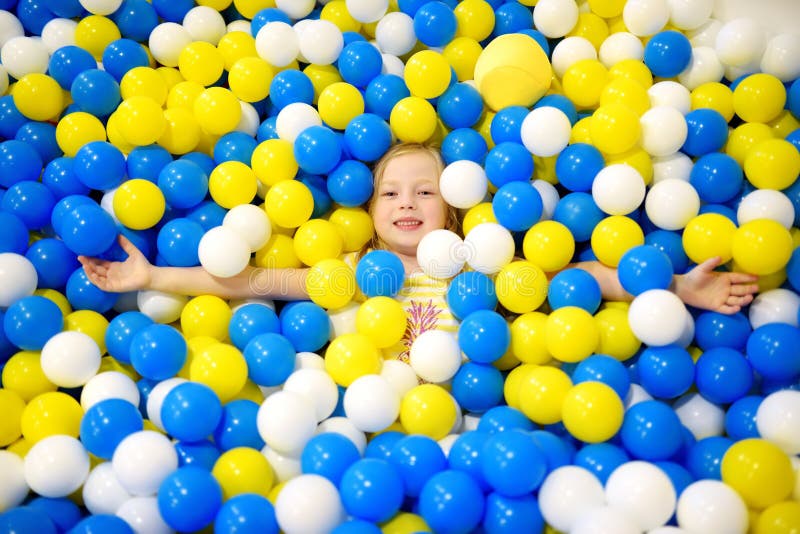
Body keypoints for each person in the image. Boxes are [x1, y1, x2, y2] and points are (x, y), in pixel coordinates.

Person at [79, 142, 760, 363]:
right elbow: (258, 279)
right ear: (370, 214)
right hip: (354, 399)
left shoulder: (474, 262)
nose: (406, 202)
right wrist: (153, 274)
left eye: (424, 191)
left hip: (468, 396)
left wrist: (671, 287)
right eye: (390, 192)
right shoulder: (347, 268)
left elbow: (577, 279)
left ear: (453, 208)